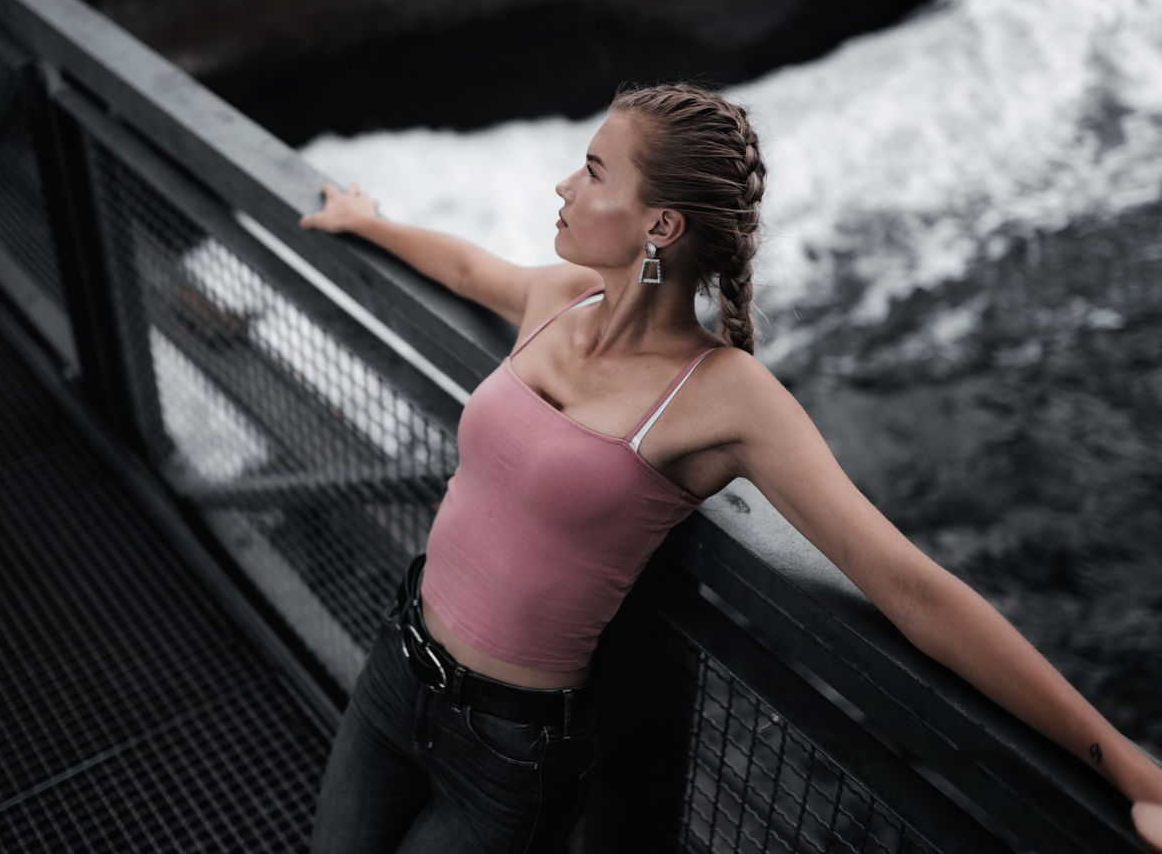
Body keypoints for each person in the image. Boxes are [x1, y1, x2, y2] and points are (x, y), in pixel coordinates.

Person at [300, 82, 1162, 853]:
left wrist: (1128, 768)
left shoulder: (725, 398)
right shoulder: (563, 298)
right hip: (396, 662)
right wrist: (366, 222)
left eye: (594, 171)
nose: (564, 186)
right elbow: (462, 266)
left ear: (660, 226)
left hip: (509, 745)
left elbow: (909, 587)